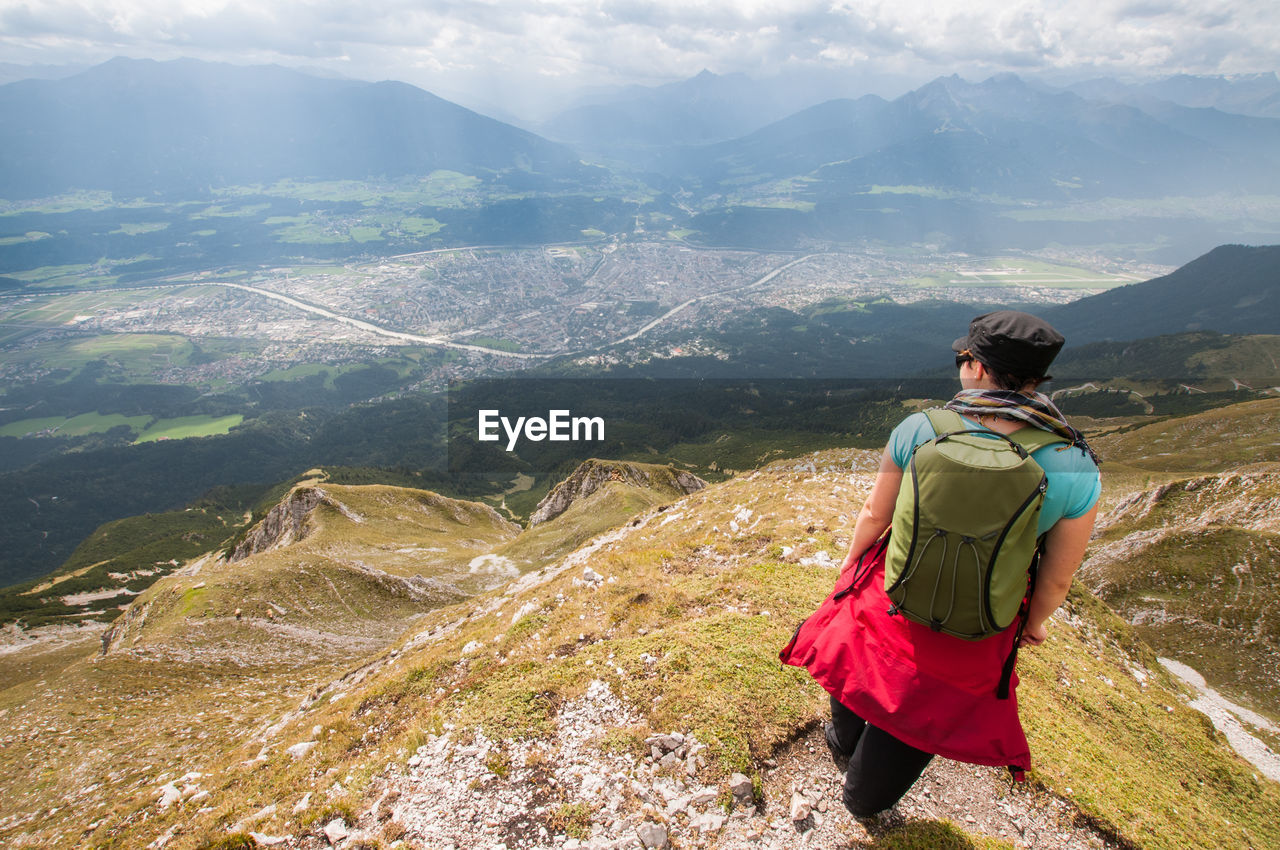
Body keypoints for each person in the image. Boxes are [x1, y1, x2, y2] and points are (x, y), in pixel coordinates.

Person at [780, 310, 1101, 819]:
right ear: (1038, 379)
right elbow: (1058, 576)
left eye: (963, 357)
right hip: (981, 621)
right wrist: (1033, 623)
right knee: (924, 711)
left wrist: (850, 563)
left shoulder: (922, 428)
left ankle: (842, 743)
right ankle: (863, 799)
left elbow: (874, 514)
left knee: (860, 664)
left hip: (892, 593)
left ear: (976, 367)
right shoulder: (1075, 465)